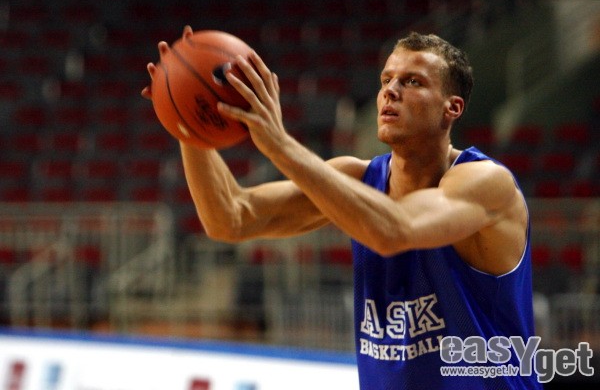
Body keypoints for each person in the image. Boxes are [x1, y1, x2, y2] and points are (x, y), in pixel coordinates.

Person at [144, 31, 541, 389]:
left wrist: (279, 144)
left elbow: (394, 230)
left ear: (451, 108)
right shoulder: (357, 177)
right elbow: (231, 217)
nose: (391, 91)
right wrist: (186, 121)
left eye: (412, 82)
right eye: (386, 80)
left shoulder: (486, 182)